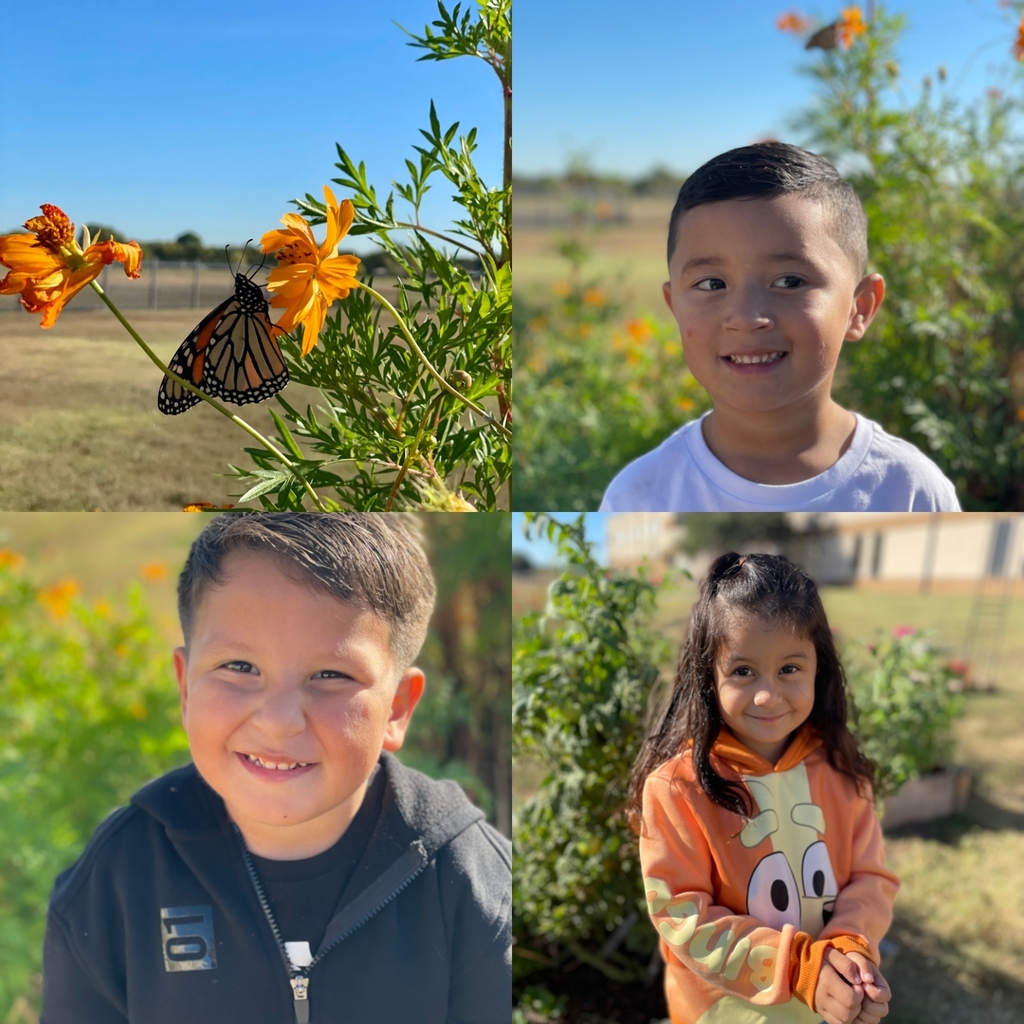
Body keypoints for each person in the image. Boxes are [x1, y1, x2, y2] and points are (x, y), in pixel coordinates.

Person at [41, 513, 511, 1024]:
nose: (280, 721)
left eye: (331, 675)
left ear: (396, 709)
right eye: (239, 667)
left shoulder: (473, 880)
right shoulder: (119, 876)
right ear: (185, 686)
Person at [599, 142, 960, 512]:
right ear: (675, 307)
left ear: (859, 308)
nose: (746, 317)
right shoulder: (639, 497)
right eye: (711, 284)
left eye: (789, 281)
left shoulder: (911, 491)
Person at [628, 553, 898, 1024]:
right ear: (707, 677)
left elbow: (872, 880)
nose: (767, 695)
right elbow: (681, 915)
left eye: (790, 669)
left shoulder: (841, 772)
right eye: (743, 671)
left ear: (820, 668)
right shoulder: (675, 790)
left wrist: (850, 952)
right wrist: (799, 969)